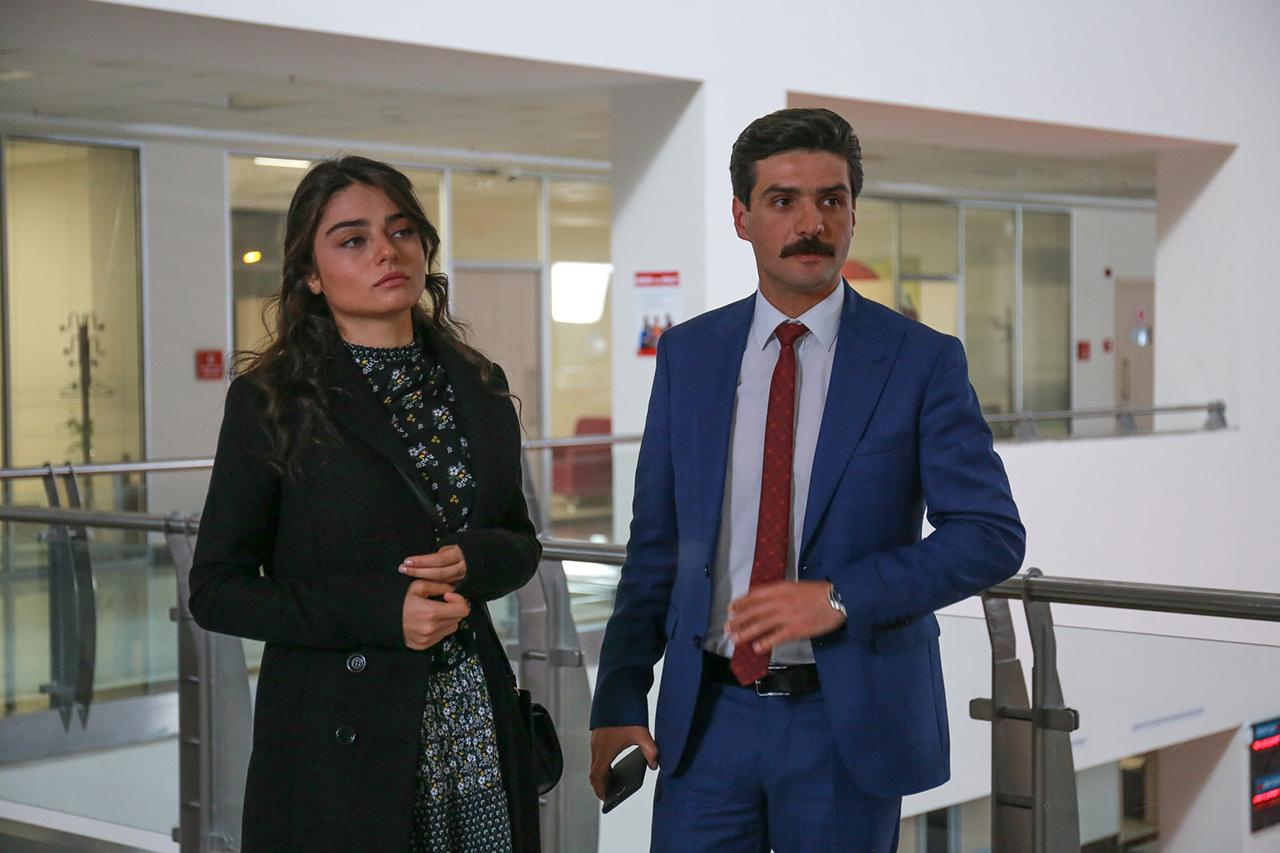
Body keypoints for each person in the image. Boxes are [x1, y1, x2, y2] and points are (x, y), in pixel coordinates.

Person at [588, 108, 1025, 851]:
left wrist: (837, 597)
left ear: (853, 213)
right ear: (742, 217)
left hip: (844, 724)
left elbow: (989, 536)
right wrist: (619, 695)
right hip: (706, 722)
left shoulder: (920, 360)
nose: (811, 222)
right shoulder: (690, 354)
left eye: (831, 199)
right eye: (783, 200)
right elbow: (657, 543)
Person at [189, 156, 542, 852]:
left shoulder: (477, 383)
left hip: (472, 722)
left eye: (401, 230)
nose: (386, 251)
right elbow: (217, 590)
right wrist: (382, 612)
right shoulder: (273, 401)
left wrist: (473, 559)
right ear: (311, 275)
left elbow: (521, 543)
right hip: (338, 736)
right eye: (353, 239)